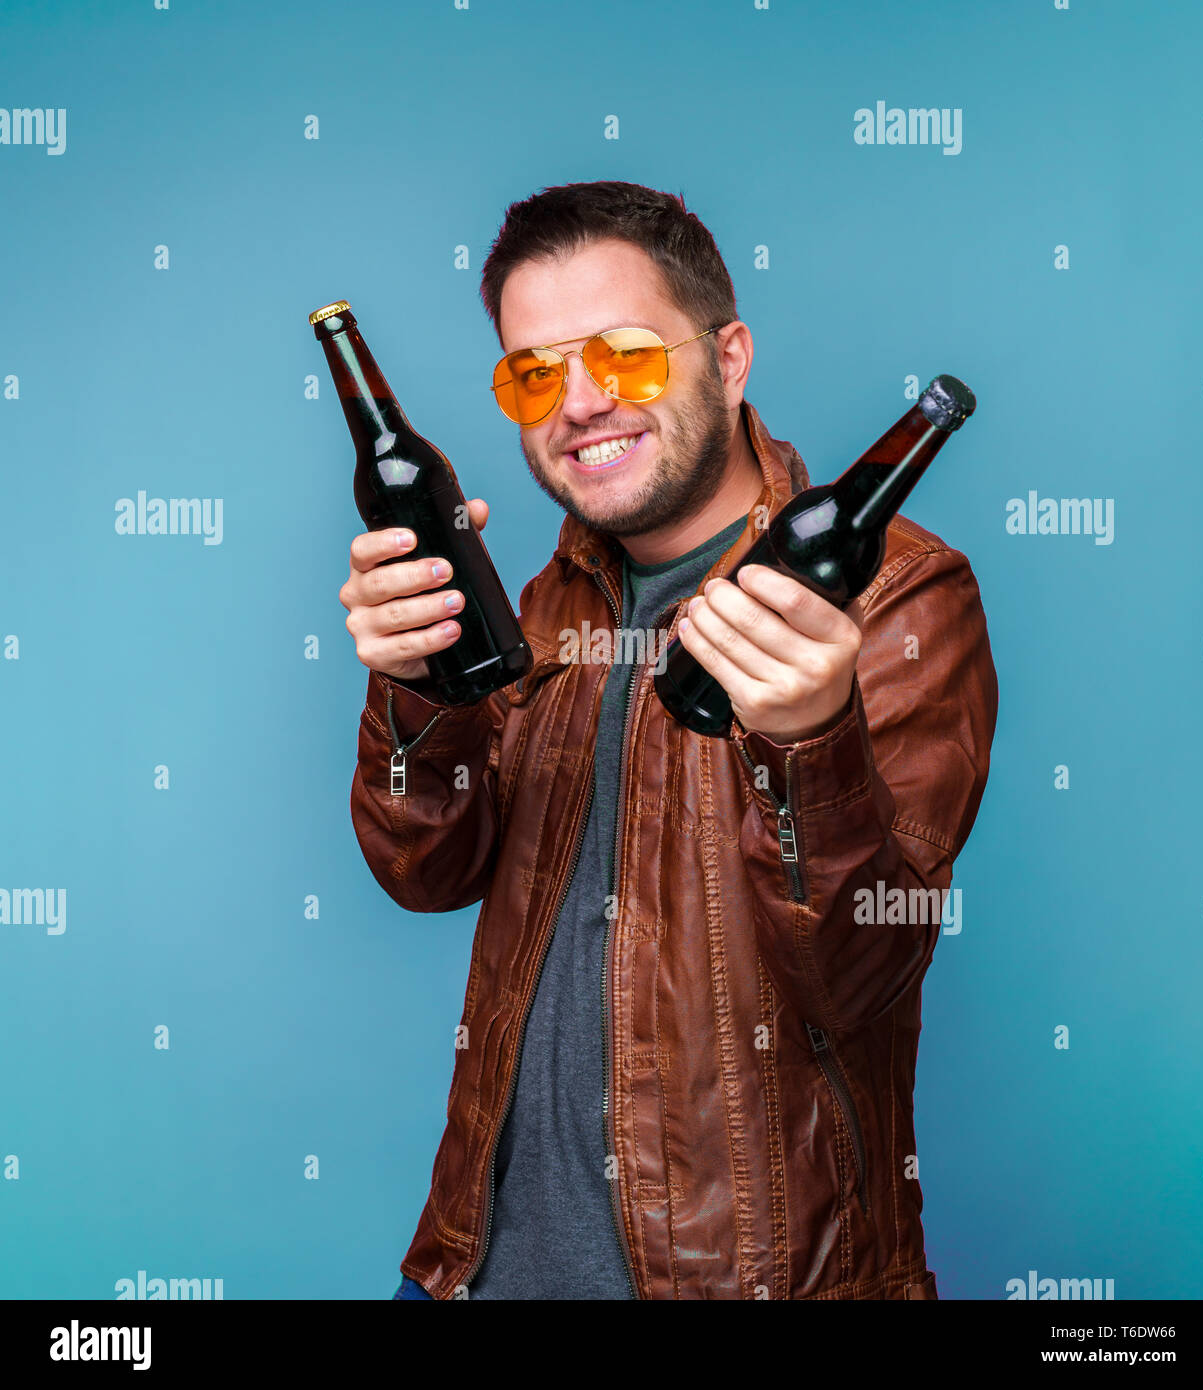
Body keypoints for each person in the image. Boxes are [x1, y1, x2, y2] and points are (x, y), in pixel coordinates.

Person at [339, 181, 998, 1300]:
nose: (580, 402)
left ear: (730, 358)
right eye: (534, 373)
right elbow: (424, 869)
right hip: (470, 1274)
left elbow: (859, 975)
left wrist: (808, 741)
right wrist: (417, 690)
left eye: (627, 355)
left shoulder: (892, 595)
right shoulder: (542, 603)